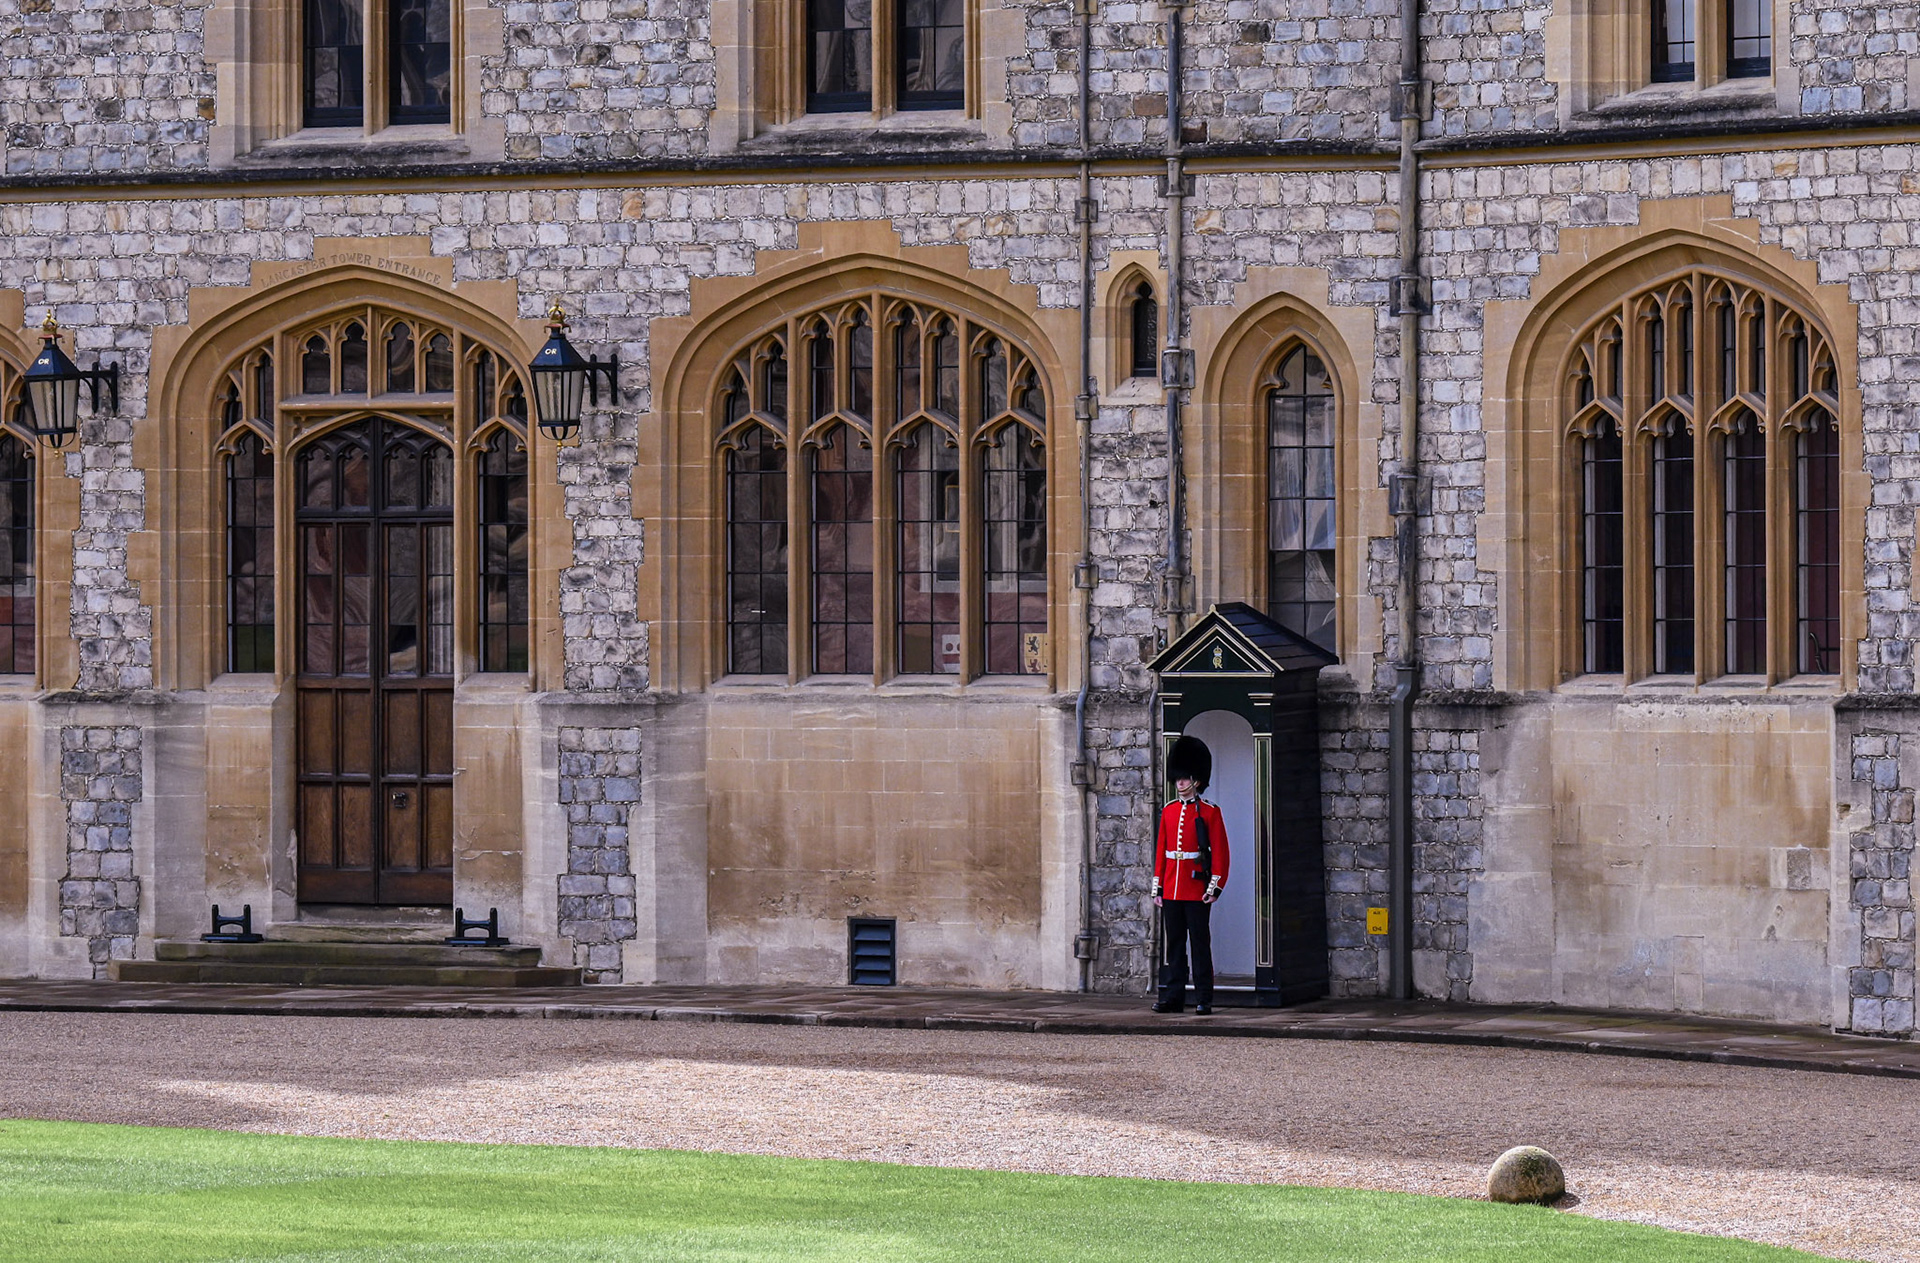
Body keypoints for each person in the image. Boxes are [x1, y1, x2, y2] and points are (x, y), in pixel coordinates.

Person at [1152, 734, 1229, 1015]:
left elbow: (1220, 852)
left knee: (1199, 945)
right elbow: (1162, 851)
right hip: (1172, 888)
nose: (1180, 783)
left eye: (1185, 778)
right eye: (1178, 778)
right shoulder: (1169, 811)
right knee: (1174, 946)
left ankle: (1203, 998)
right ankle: (1173, 997)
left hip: (1195, 889)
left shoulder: (1209, 812)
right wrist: (1157, 888)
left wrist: (1214, 886)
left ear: (1196, 780)